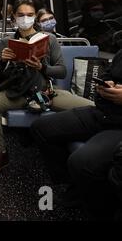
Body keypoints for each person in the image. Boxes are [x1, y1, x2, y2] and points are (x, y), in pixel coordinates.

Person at [0, 0, 94, 178]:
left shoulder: (50, 40)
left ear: (35, 17)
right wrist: (2, 60)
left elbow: (62, 71)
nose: (25, 19)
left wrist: (42, 67)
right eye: (21, 15)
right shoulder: (5, 42)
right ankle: (0, 154)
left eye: (30, 15)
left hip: (45, 92)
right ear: (13, 18)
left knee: (92, 108)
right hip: (16, 93)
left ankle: (94, 149)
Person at [31, 49, 122, 220]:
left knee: (81, 162)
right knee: (41, 128)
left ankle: (99, 212)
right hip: (103, 112)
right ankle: (73, 183)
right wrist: (104, 87)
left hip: (118, 126)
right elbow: (106, 76)